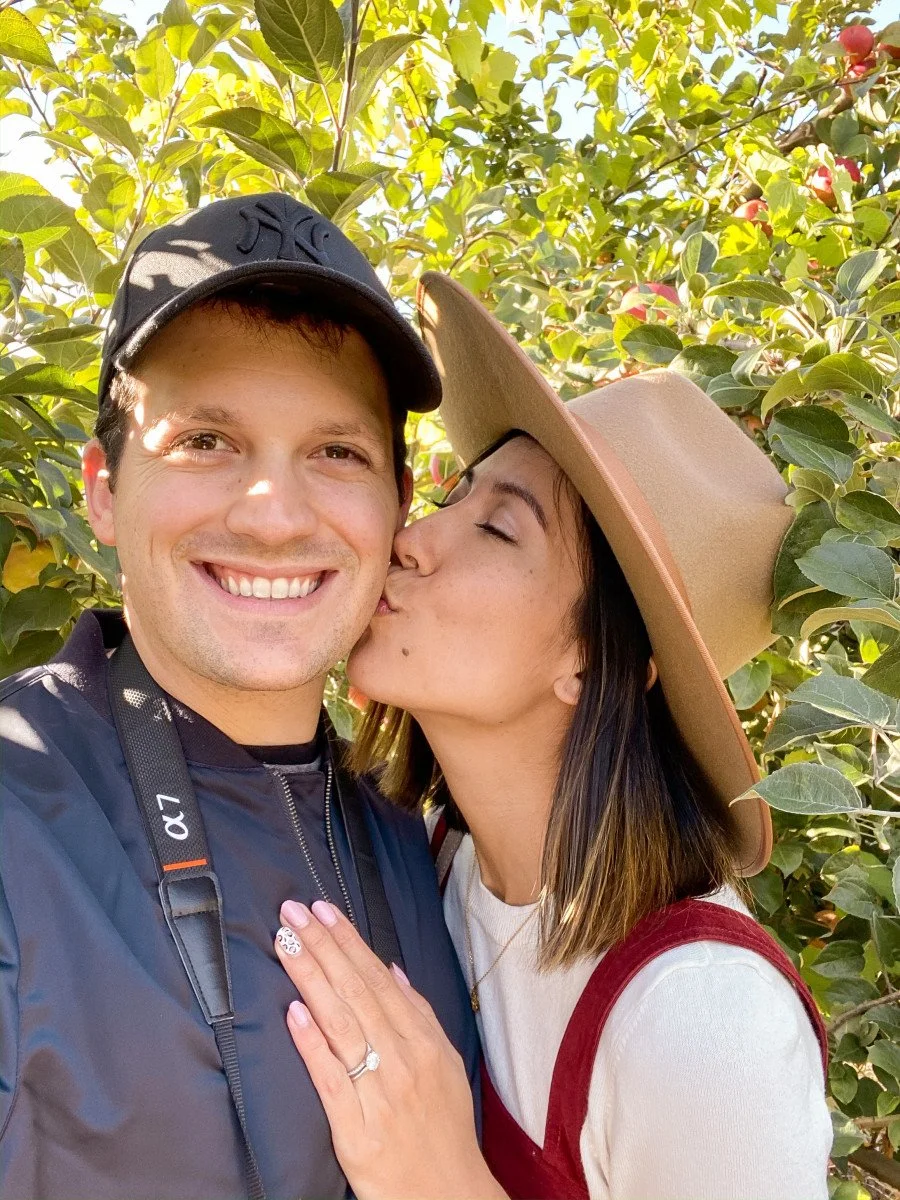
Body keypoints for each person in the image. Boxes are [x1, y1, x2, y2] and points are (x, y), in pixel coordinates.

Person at [271, 273, 834, 1200]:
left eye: (495, 529)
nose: (413, 538)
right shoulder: (435, 861)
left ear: (590, 658)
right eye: (455, 497)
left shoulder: (704, 1022)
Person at [0, 200, 477, 1199]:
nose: (274, 514)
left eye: (337, 453)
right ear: (101, 490)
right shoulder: (17, 804)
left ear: (397, 505)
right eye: (206, 440)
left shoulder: (420, 840)